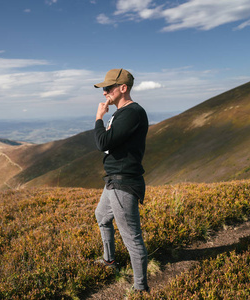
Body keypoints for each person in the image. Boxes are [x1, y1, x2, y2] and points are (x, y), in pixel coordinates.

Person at [93, 68, 150, 293]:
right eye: (104, 88)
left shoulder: (132, 112)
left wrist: (99, 117)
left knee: (132, 238)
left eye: (108, 88)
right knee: (101, 215)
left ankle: (140, 289)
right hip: (115, 179)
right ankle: (109, 261)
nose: (105, 92)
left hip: (123, 181)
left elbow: (103, 143)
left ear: (123, 88)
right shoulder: (122, 113)